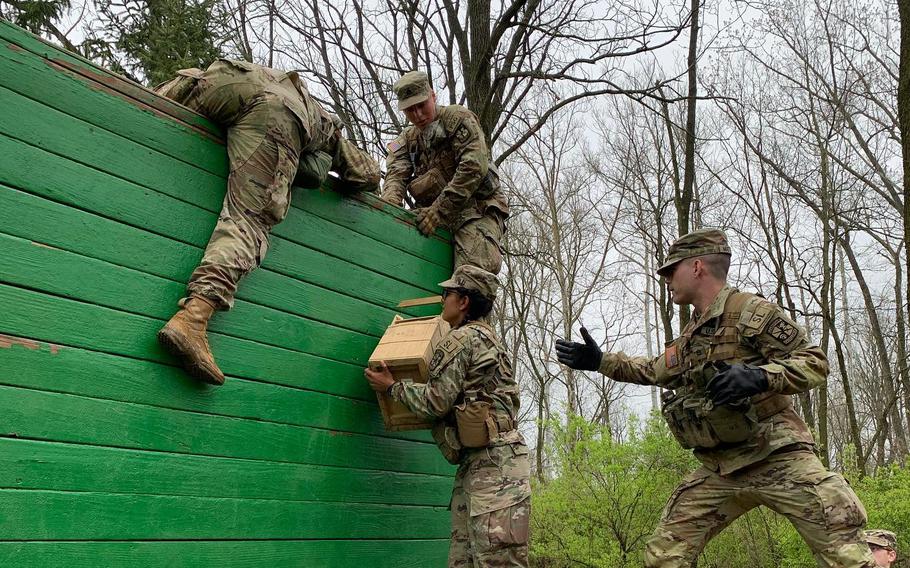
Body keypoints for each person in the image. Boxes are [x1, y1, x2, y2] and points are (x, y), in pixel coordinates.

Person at [555, 229, 877, 567]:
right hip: (722, 467)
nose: (665, 279)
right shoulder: (693, 334)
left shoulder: (752, 312)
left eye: (670, 270)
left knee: (847, 553)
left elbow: (815, 362)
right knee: (665, 555)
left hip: (778, 456)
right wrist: (600, 361)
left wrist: (761, 376)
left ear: (696, 267)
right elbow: (655, 370)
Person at [153, 59, 380, 385]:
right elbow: (365, 172)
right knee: (251, 220)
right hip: (276, 114)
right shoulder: (323, 124)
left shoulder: (269, 75)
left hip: (223, 78)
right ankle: (194, 317)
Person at [364, 265, 530, 566]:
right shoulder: (488, 338)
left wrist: (392, 387)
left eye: (447, 293)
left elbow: (435, 402)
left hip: (494, 468)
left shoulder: (462, 339)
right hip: (486, 463)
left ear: (464, 301)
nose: (442, 300)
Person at [381, 71, 509, 274]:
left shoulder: (457, 119)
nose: (418, 115)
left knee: (471, 275)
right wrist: (388, 211)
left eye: (421, 105)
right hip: (435, 218)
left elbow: (473, 167)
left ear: (433, 95)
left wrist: (438, 210)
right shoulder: (407, 140)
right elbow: (395, 175)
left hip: (476, 210)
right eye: (410, 110)